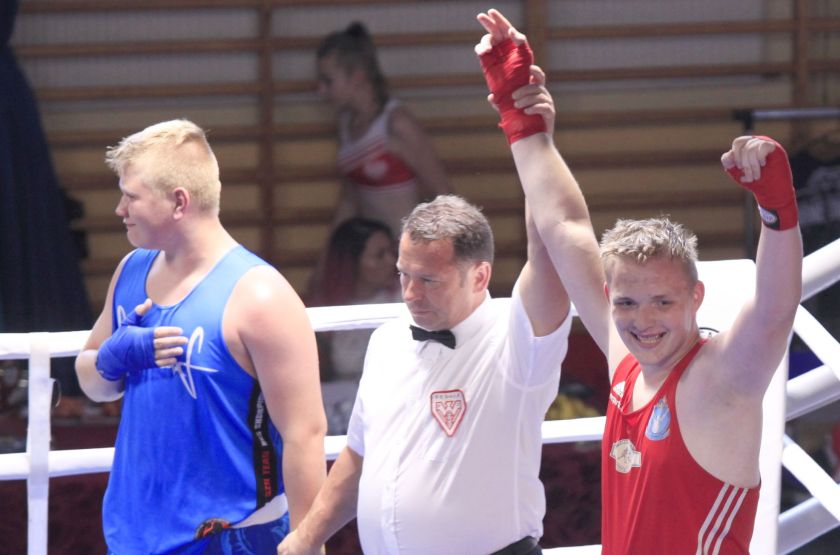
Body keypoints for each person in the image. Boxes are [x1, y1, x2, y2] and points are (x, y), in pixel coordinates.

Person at [474, 9, 803, 553]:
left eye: (662, 302)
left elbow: (774, 310)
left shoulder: (721, 378)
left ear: (696, 298)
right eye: (627, 303)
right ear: (608, 299)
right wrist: (521, 121)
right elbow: (565, 226)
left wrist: (776, 211)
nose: (643, 321)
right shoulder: (625, 361)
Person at [278, 68, 574, 553]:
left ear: (479, 276)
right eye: (404, 275)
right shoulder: (388, 339)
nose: (410, 293)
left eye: (429, 280)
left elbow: (550, 255)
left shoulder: (515, 339)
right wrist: (306, 539)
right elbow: (358, 455)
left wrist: (533, 139)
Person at [74, 119, 327, 554]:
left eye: (131, 196)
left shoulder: (260, 297)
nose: (119, 208)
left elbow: (305, 433)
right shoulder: (131, 271)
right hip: (136, 533)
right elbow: (91, 382)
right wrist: (109, 361)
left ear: (178, 202)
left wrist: (309, 544)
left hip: (233, 535)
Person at [316, 21, 452, 238]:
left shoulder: (397, 124)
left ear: (357, 76)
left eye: (328, 81)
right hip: (373, 257)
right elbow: (350, 200)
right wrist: (328, 261)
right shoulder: (345, 125)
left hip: (408, 254)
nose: (321, 91)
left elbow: (442, 192)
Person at [307, 217, 400, 434]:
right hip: (341, 417)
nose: (392, 261)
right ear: (352, 262)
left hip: (396, 411)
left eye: (392, 252)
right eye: (379, 255)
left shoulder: (407, 302)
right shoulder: (322, 310)